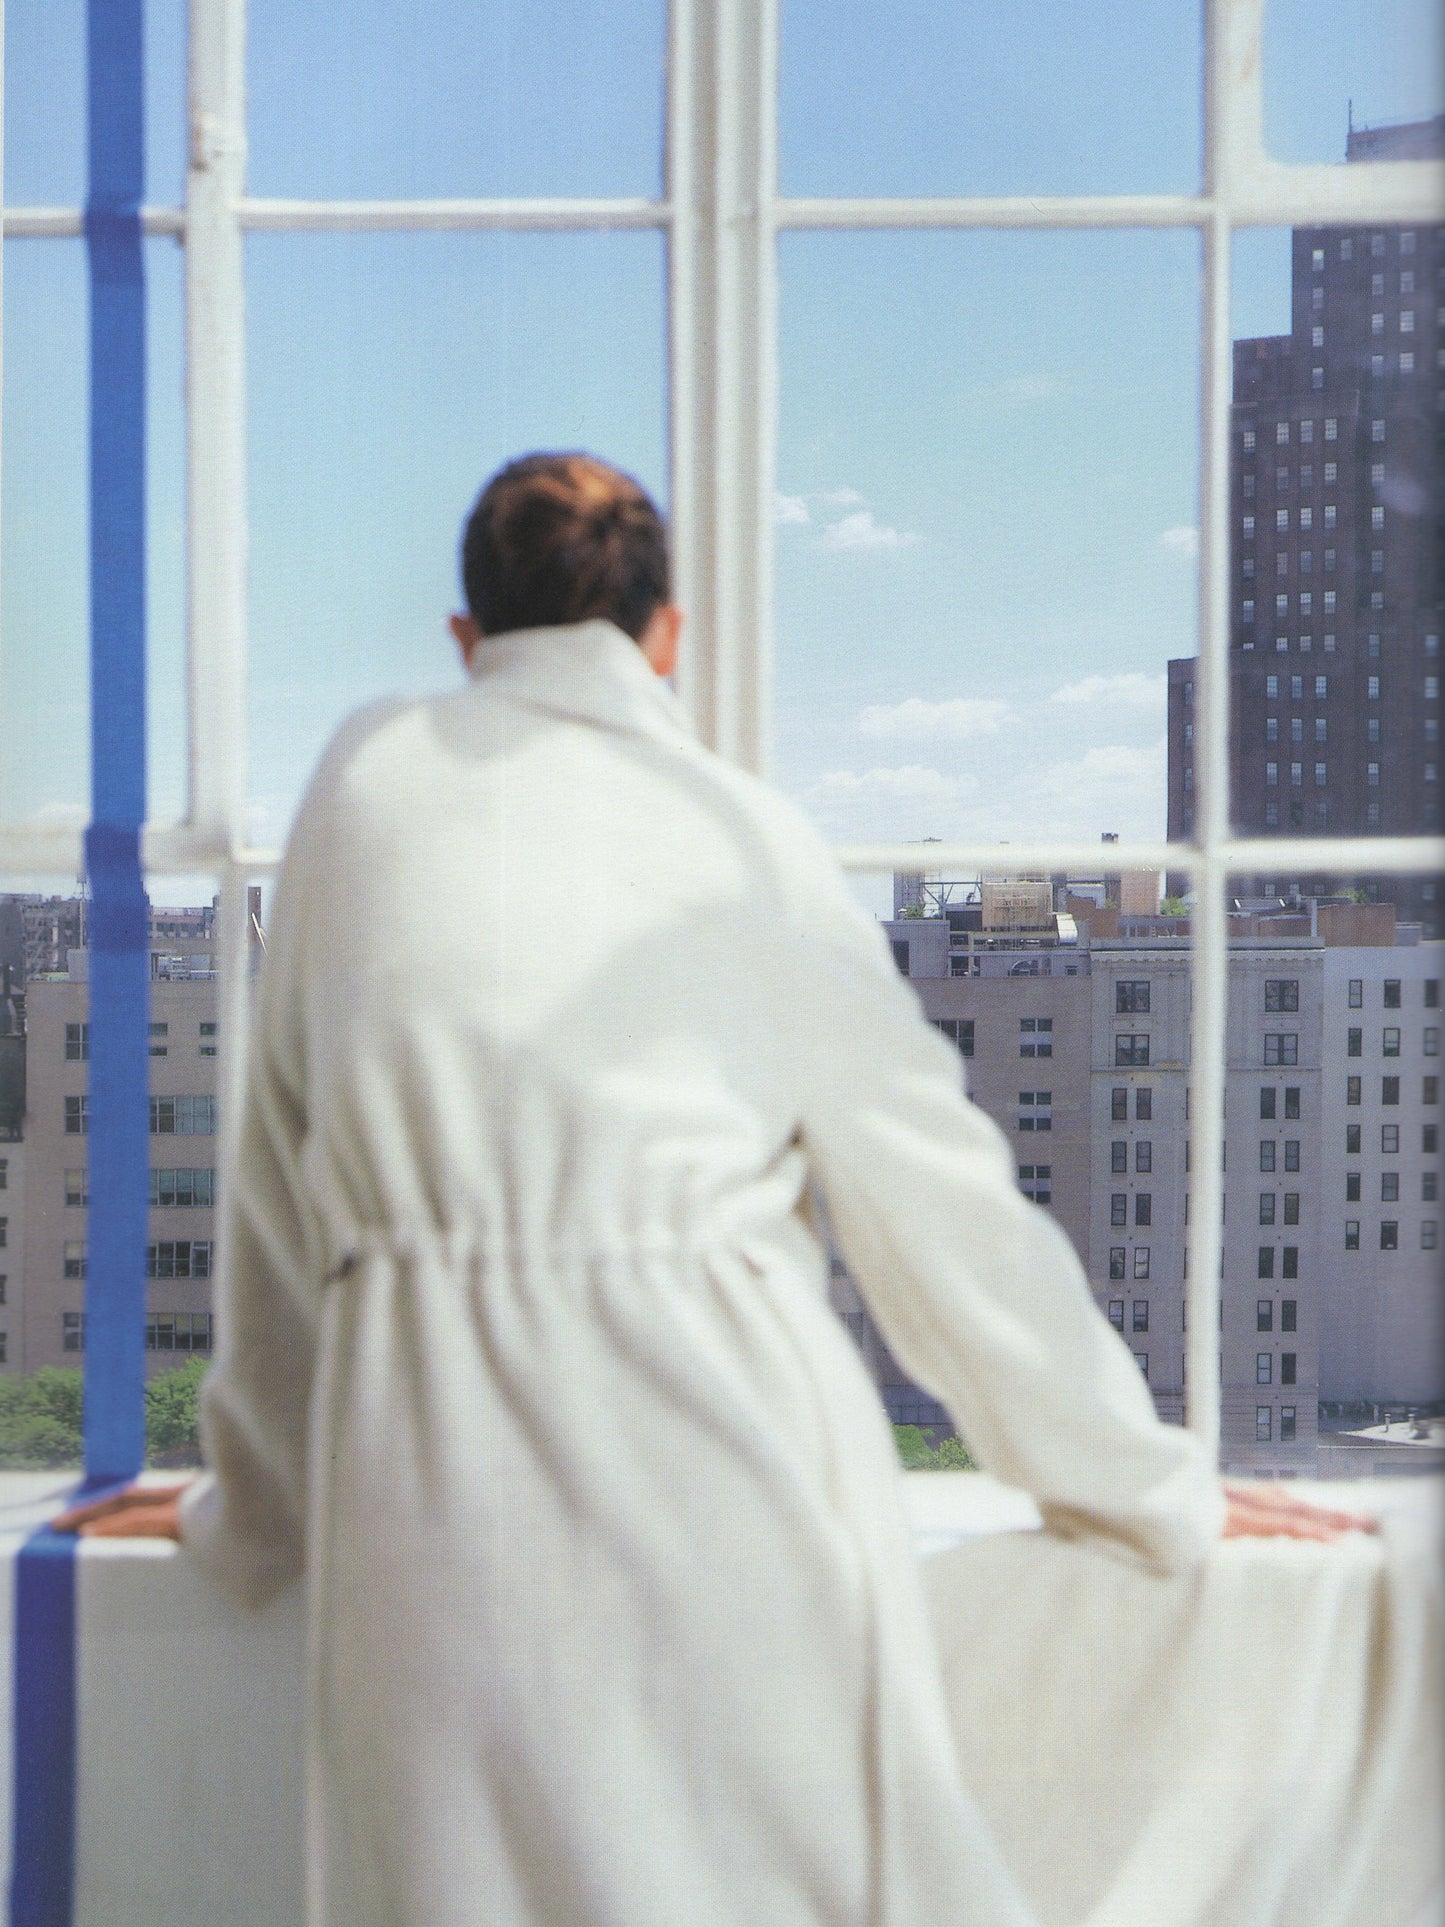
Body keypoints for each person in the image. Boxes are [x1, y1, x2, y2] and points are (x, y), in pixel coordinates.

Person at [61, 454, 1428, 1927]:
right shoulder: (746, 833)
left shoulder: (365, 777)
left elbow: (280, 1210)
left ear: (468, 636)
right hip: (742, 1475)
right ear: (666, 636)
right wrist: (1147, 1484)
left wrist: (250, 1511)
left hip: (432, 1487)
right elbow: (945, 1218)